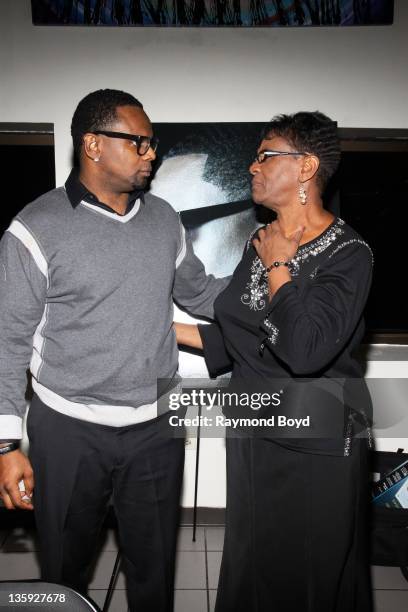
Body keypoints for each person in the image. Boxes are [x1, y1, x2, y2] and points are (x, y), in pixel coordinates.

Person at [0, 89, 228, 612]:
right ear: (94, 145)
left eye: (153, 144)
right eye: (140, 142)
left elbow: (199, 292)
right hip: (68, 429)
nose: (152, 154)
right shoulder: (33, 229)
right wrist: (6, 445)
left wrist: (270, 292)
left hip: (155, 427)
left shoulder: (165, 219)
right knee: (64, 568)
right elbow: (8, 340)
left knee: (154, 570)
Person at [175, 111, 374, 612]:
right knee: (253, 564)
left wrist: (281, 266)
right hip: (255, 430)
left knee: (307, 573)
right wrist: (150, 330)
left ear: (306, 167)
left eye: (266, 155)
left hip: (316, 441)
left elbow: (306, 349)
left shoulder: (350, 254)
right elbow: (236, 337)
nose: (252, 166)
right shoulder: (259, 241)